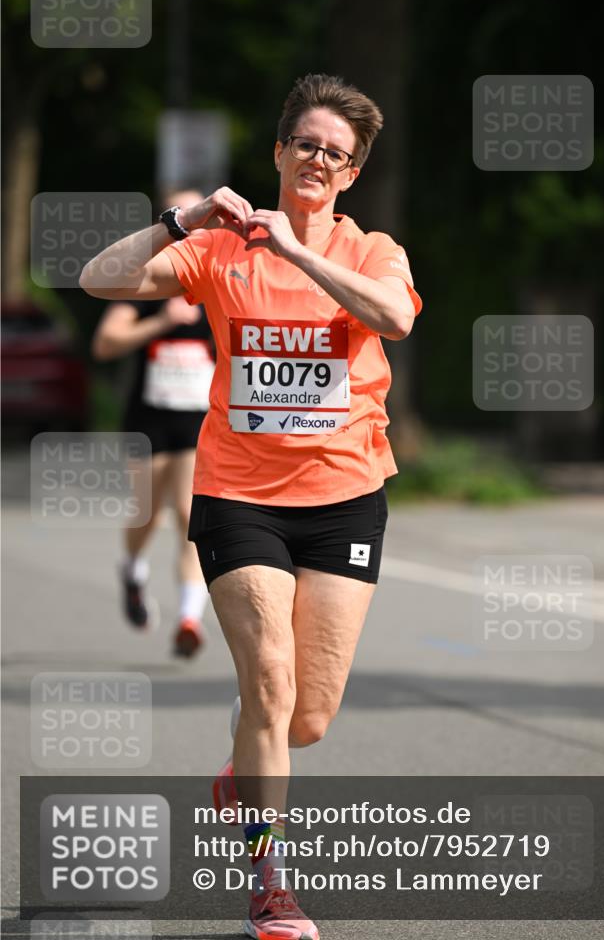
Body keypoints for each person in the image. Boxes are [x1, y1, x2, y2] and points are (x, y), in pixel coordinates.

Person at [81, 73, 422, 940]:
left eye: (335, 154)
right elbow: (97, 279)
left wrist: (298, 251)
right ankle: (270, 887)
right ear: (278, 152)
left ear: (351, 174)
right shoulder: (220, 249)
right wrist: (184, 219)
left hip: (345, 495)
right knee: (268, 681)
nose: (317, 160)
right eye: (305, 143)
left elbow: (394, 319)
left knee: (306, 718)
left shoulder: (372, 249)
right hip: (239, 493)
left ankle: (243, 769)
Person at [91, 189, 214, 659]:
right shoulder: (147, 284)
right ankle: (131, 567)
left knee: (187, 514)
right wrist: (162, 322)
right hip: (148, 420)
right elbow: (105, 343)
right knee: (148, 512)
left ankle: (188, 618)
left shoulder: (216, 283)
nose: (191, 230)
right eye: (183, 220)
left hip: (198, 421)